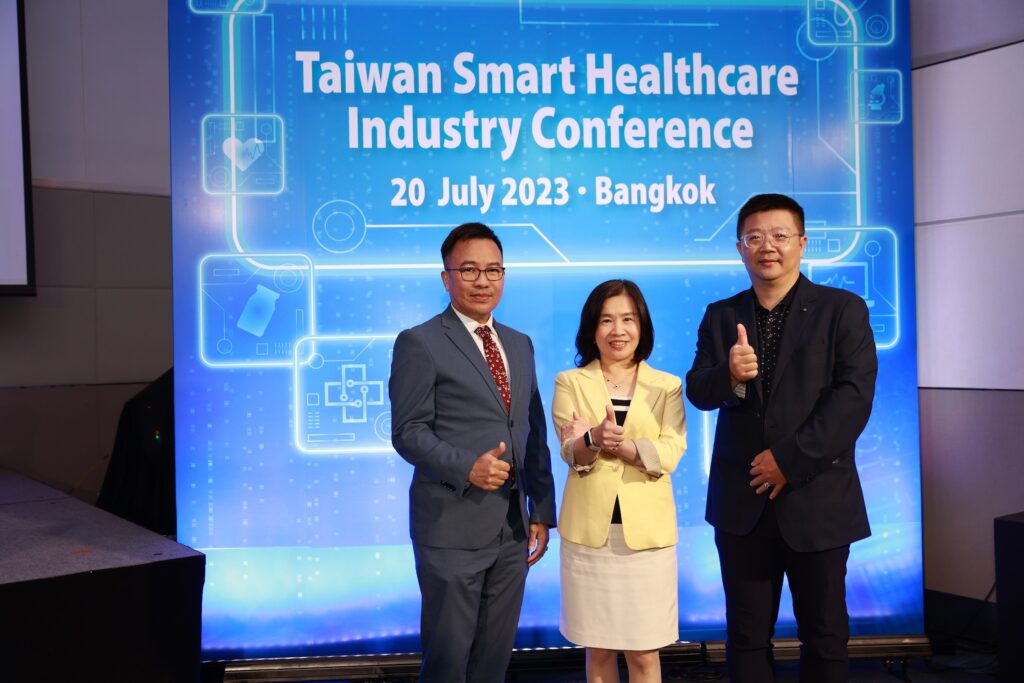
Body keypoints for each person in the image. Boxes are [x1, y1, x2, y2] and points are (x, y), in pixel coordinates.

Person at [686, 193, 877, 682]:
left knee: (825, 637)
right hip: (742, 505)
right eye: (754, 237)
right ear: (739, 248)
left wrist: (788, 461)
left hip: (817, 500)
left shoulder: (842, 309)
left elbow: (853, 400)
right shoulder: (721, 314)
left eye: (779, 235)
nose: (766, 246)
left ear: (802, 243)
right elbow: (698, 390)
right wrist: (729, 375)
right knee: (746, 639)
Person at [388, 222, 557, 683]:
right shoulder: (420, 342)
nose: (483, 281)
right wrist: (468, 467)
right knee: (448, 663)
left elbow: (532, 432)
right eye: (469, 270)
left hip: (512, 530)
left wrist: (541, 509)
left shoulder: (519, 343)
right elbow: (408, 432)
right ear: (446, 277)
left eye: (493, 270)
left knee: (492, 663)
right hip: (450, 528)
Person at [552, 279, 686, 683]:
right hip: (590, 538)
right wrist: (591, 440)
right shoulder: (569, 382)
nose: (618, 330)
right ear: (592, 328)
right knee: (598, 650)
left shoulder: (667, 386)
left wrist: (618, 445)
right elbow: (571, 452)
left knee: (644, 653)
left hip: (646, 540)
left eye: (628, 319)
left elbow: (669, 453)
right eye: (606, 320)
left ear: (641, 325)